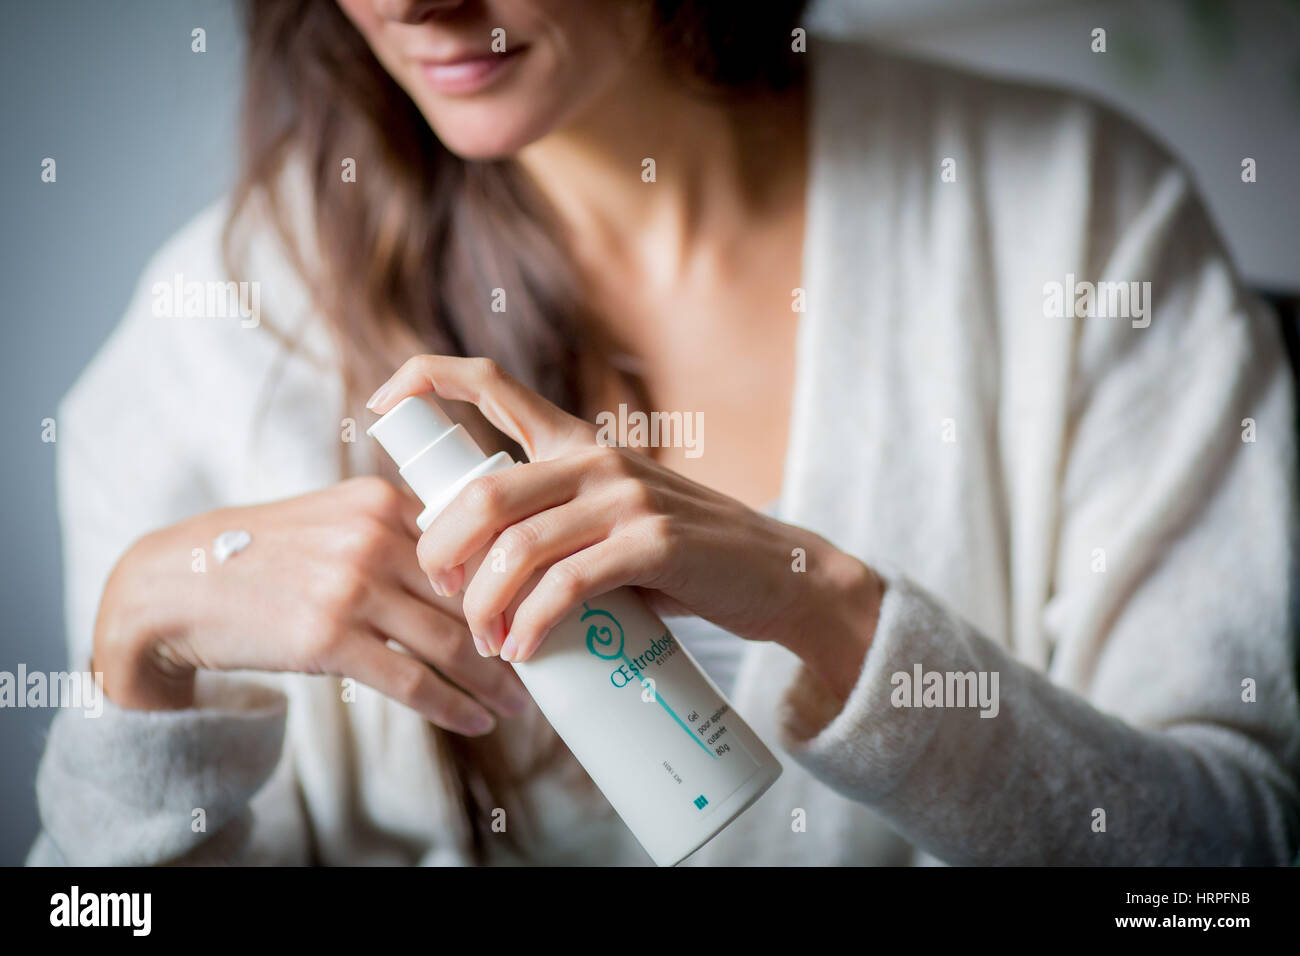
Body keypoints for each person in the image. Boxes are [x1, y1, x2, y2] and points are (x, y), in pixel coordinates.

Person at [29, 0, 1298, 866]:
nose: (413, 3)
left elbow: (1227, 862)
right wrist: (140, 661)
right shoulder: (210, 336)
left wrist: (829, 612)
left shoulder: (1073, 217)